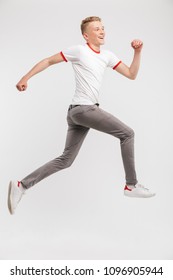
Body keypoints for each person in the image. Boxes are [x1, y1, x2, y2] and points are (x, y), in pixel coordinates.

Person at [8, 16, 155, 215]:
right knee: (128, 134)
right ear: (86, 35)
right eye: (96, 29)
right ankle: (131, 185)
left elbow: (131, 74)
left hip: (77, 113)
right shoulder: (79, 50)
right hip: (84, 109)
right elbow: (49, 60)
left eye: (103, 28)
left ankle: (21, 185)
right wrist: (25, 77)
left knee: (66, 160)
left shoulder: (107, 56)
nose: (102, 31)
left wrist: (137, 52)